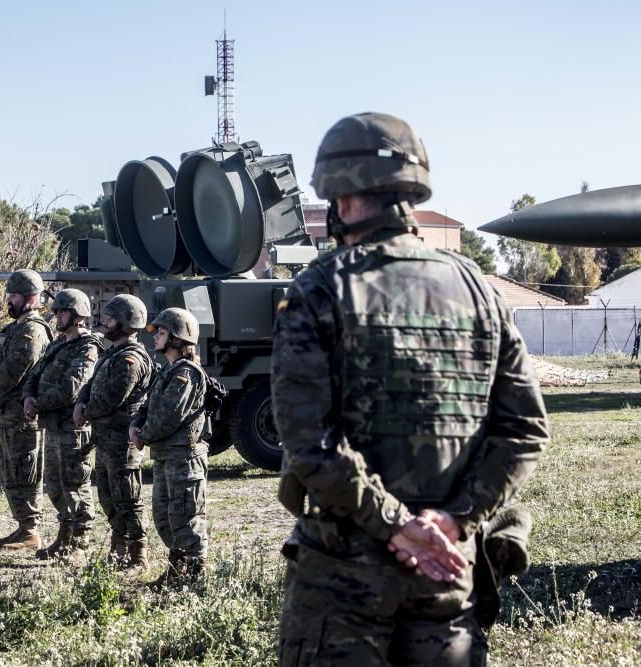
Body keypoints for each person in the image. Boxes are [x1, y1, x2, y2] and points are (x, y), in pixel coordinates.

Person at [271, 111, 549, 666]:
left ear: (339, 197)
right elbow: (523, 430)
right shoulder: (480, 292)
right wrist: (453, 522)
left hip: (344, 580)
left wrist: (397, 527)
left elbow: (309, 441)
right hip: (447, 571)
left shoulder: (319, 290)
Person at [74, 294, 154, 574]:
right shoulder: (112, 353)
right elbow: (90, 383)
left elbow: (112, 398)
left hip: (122, 441)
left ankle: (138, 556)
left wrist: (85, 411)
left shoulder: (131, 358)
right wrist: (82, 401)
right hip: (105, 439)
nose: (104, 322)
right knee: (108, 497)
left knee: (128, 498)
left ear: (127, 322)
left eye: (110, 318)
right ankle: (118, 550)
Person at [129, 307, 208, 585]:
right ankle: (177, 572)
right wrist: (137, 425)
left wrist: (143, 434)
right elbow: (148, 406)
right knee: (165, 518)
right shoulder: (167, 371)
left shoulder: (187, 374)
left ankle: (195, 577)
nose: (156, 338)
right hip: (166, 456)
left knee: (185, 517)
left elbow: (168, 414)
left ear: (178, 339)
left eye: (162, 333)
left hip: (184, 458)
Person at [22, 288, 101, 560]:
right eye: (56, 311)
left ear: (78, 315)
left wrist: (38, 403)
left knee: (75, 485)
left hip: (73, 428)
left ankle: (79, 543)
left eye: (62, 311)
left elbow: (72, 387)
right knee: (55, 486)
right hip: (53, 425)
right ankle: (64, 538)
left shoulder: (88, 347)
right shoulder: (58, 343)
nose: (57, 315)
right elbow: (35, 373)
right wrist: (28, 397)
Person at [0, 269, 53, 551]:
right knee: (10, 473)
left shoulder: (32, 330)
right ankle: (23, 528)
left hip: (22, 417)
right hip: (6, 414)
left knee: (24, 471)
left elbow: (12, 372)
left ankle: (31, 530)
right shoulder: (13, 329)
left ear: (30, 298)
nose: (8, 301)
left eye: (13, 296)